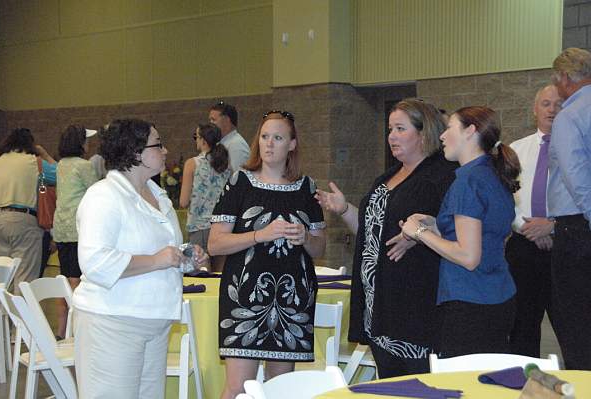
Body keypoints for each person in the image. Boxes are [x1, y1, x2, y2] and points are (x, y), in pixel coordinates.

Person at [315, 99, 456, 377]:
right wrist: (343, 209)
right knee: (389, 383)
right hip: (379, 306)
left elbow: (455, 228)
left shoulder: (441, 175)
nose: (391, 136)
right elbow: (372, 232)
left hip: (414, 306)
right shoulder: (388, 176)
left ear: (423, 132)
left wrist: (418, 235)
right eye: (390, 129)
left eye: (400, 128)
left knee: (417, 383)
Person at [73, 119, 208, 398]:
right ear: (135, 153)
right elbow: (96, 262)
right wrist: (158, 259)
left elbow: (158, 250)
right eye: (158, 144)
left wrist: (183, 256)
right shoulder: (103, 196)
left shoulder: (157, 196)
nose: (166, 150)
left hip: (154, 321)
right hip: (113, 323)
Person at [209, 111, 326, 399]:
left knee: (280, 390)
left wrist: (306, 238)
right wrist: (259, 235)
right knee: (238, 388)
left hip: (292, 299)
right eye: (264, 137)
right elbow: (215, 244)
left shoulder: (306, 187)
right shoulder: (240, 182)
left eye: (278, 137)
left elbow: (319, 249)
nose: (269, 144)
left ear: (292, 144)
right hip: (244, 296)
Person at [402, 106, 520, 358]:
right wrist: (437, 224)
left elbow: (468, 256)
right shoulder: (492, 173)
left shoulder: (468, 181)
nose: (442, 136)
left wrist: (420, 232)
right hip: (499, 296)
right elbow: (485, 231)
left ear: (470, 131)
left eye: (449, 129)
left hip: (470, 301)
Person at [506, 85, 561, 357]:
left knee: (572, 325)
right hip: (523, 247)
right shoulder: (515, 150)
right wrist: (527, 229)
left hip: (565, 246)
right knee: (522, 327)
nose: (552, 109)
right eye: (546, 104)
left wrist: (552, 226)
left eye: (558, 104)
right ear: (535, 109)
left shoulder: (580, 150)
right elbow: (506, 196)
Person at [548, 47, 591, 370]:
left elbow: (575, 176)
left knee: (576, 321)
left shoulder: (570, 116)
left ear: (565, 78)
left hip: (578, 226)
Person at [0, 128, 56, 294]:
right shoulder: (33, 162)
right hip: (21, 221)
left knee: (2, 279)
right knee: (24, 278)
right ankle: (20, 319)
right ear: (30, 144)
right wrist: (46, 155)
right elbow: (60, 174)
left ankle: (0, 318)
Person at [52, 125, 99, 338]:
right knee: (77, 281)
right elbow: (97, 192)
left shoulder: (61, 164)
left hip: (61, 228)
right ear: (80, 143)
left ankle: (61, 330)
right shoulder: (84, 166)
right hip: (78, 229)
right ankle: (77, 332)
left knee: (65, 278)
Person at [180, 123, 231, 271]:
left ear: (203, 141)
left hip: (200, 225)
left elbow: (183, 201)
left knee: (201, 272)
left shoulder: (192, 164)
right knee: (220, 273)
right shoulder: (226, 165)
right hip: (222, 226)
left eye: (196, 137)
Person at [209, 101, 250, 171]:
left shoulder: (236, 145)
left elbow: (239, 177)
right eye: (210, 120)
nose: (210, 124)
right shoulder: (222, 143)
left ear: (227, 120)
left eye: (213, 120)